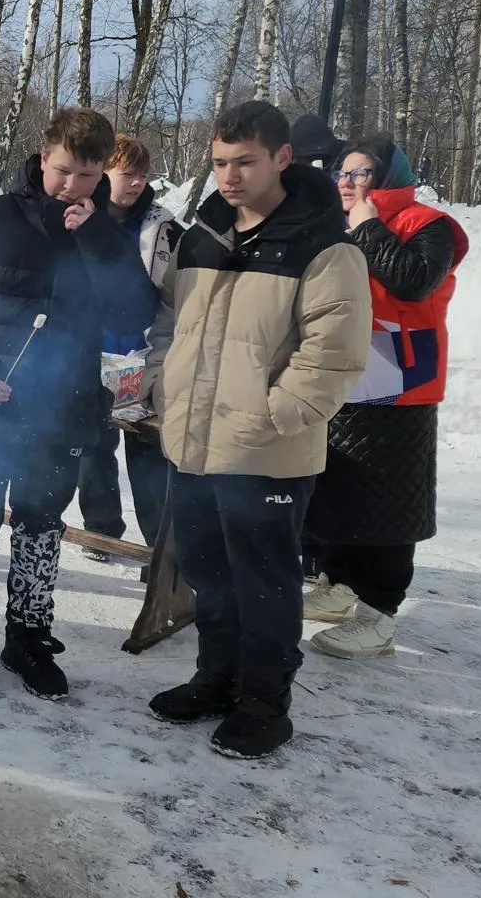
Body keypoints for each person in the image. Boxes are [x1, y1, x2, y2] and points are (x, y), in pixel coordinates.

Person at [0, 109, 159, 699]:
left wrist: (94, 238)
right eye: (64, 171)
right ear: (43, 159)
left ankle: (28, 638)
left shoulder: (108, 238)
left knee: (41, 528)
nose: (73, 186)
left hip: (61, 413)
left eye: (88, 176)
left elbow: (134, 315)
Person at [143, 100, 371, 759]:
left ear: (282, 159)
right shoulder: (202, 235)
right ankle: (215, 680)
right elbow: (172, 325)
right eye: (219, 163)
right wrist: (163, 382)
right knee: (209, 573)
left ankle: (265, 705)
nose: (230, 176)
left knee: (264, 584)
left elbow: (334, 356)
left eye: (245, 162)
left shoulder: (324, 248)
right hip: (191, 443)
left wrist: (274, 416)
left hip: (267, 454)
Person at [304, 135, 467, 659]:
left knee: (388, 499)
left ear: (388, 178)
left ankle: (380, 612)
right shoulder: (337, 222)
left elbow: (414, 281)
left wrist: (371, 227)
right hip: (344, 371)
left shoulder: (428, 225)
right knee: (338, 484)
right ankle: (340, 583)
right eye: (342, 175)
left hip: (400, 380)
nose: (347, 184)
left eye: (360, 175)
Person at [76, 134, 182, 561]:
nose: (135, 183)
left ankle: (159, 543)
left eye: (142, 174)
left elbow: (174, 296)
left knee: (147, 448)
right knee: (94, 444)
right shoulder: (83, 214)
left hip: (141, 354)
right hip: (90, 351)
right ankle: (101, 530)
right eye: (127, 173)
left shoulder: (161, 225)